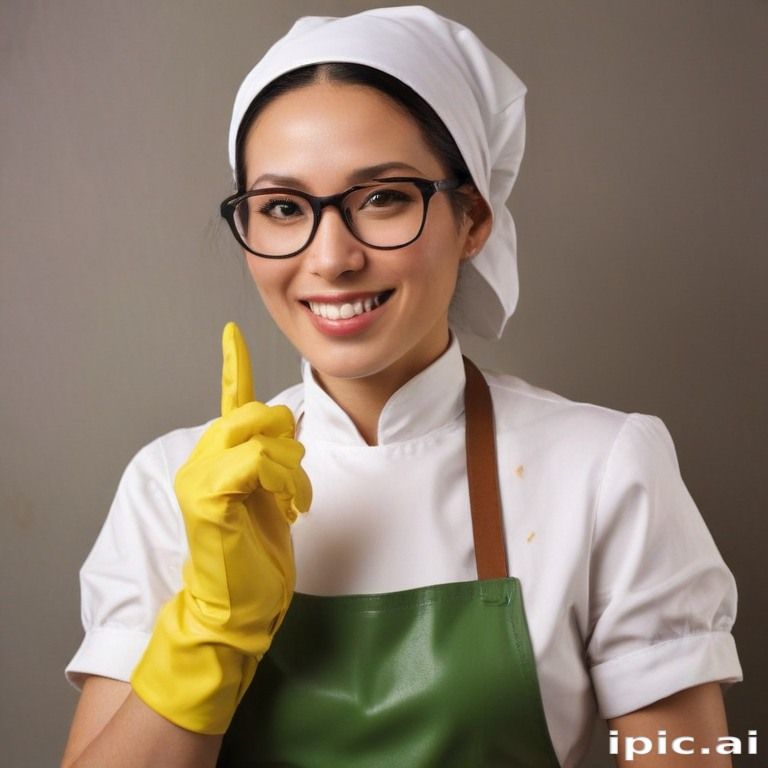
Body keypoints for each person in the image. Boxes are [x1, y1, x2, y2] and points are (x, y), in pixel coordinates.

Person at [61, 7, 742, 767]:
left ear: (473, 217)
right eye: (284, 208)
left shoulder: (604, 469)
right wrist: (210, 633)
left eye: (382, 197)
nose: (331, 257)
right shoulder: (173, 488)